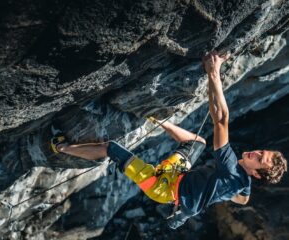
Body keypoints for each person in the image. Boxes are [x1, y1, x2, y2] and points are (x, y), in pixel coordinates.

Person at [51, 51, 287, 229]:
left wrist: (213, 72)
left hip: (161, 187)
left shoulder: (231, 170)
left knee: (110, 148)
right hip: (179, 176)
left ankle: (60, 146)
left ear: (256, 173)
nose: (255, 153)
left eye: (259, 159)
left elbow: (222, 119)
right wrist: (209, 193)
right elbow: (244, 199)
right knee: (198, 143)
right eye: (261, 152)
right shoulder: (243, 186)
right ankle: (155, 119)